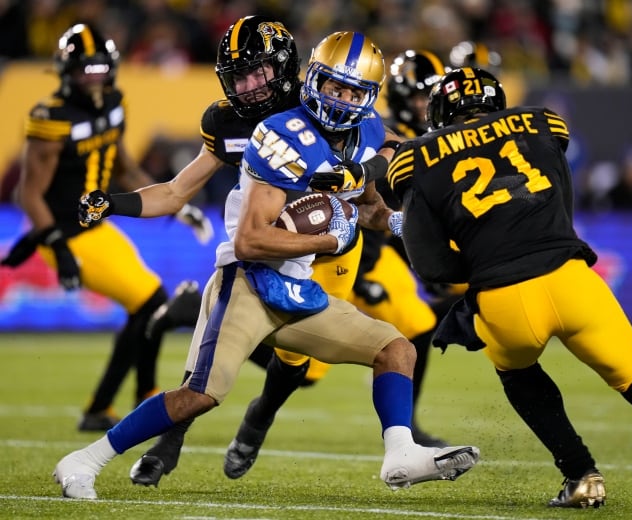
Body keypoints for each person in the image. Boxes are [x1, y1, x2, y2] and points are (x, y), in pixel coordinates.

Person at [54, 30, 480, 501]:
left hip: (303, 281)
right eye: (332, 87)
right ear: (312, 80)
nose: (340, 101)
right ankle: (85, 460)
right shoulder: (277, 134)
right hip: (249, 279)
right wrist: (329, 234)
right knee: (203, 393)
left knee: (396, 350)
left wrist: (400, 220)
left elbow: (373, 201)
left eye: (351, 92)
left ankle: (400, 453)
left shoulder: (367, 132)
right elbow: (248, 237)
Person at [386, 66, 632, 515]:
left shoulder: (417, 156)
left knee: (519, 375)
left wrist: (481, 269)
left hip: (505, 301)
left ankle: (581, 476)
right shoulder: (539, 123)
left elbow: (432, 267)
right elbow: (560, 204)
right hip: (572, 279)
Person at [0, 23, 209, 433]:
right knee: (151, 302)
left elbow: (123, 167)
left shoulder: (115, 102)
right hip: (62, 231)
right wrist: (58, 249)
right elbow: (30, 195)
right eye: (85, 71)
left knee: (148, 303)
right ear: (66, 71)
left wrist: (175, 204)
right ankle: (145, 396)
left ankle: (104, 406)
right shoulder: (52, 119)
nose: (94, 80)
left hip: (94, 225)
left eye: (100, 70)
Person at [344, 48, 454, 447]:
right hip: (356, 251)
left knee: (422, 324)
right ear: (404, 96)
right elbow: (370, 208)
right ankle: (257, 420)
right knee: (299, 370)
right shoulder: (380, 135)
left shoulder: (428, 138)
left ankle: (406, 426)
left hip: (388, 246)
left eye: (432, 96)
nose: (428, 104)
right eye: (421, 96)